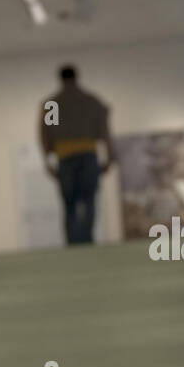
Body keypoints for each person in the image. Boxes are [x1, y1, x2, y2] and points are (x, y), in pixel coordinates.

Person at [38, 64, 115, 245]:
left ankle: (73, 242)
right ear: (77, 77)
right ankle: (87, 240)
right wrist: (109, 156)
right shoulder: (91, 101)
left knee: (69, 203)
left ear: (60, 79)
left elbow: (46, 133)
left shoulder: (54, 104)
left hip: (65, 157)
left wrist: (47, 160)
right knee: (89, 200)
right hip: (88, 155)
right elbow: (104, 131)